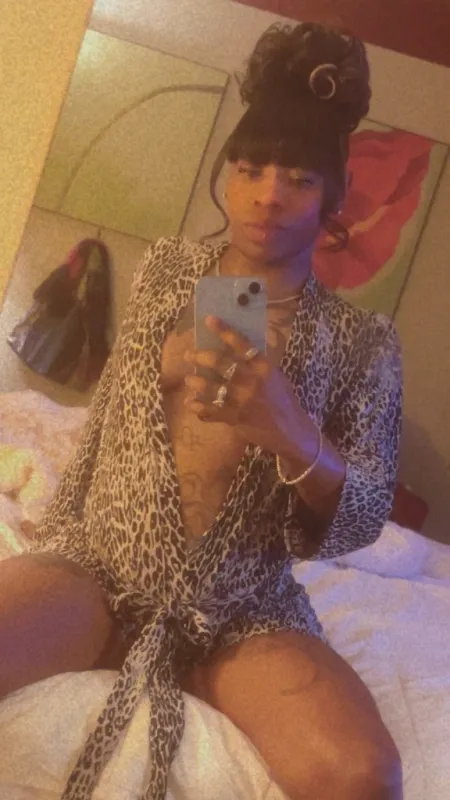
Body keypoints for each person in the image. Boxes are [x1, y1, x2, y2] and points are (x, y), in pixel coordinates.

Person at [0, 21, 403, 800]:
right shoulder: (169, 269)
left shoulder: (363, 342)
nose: (267, 195)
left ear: (334, 197)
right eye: (249, 169)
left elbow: (364, 515)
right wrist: (164, 364)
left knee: (365, 776)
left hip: (241, 611)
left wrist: (293, 433)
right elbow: (110, 407)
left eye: (298, 178)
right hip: (103, 565)